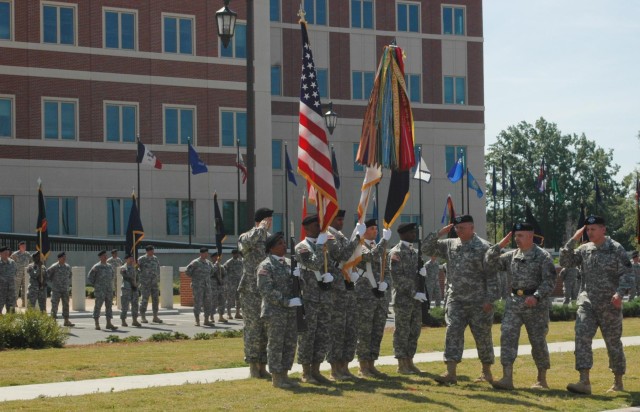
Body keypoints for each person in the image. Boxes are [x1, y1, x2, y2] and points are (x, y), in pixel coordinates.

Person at [560, 215, 634, 394]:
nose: (590, 232)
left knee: (613, 343)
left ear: (603, 230)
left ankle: (618, 381)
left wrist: (619, 293)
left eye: (593, 229)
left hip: (610, 304)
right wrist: (574, 239)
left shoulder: (615, 249)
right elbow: (565, 261)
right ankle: (584, 381)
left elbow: (627, 274)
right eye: (588, 229)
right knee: (582, 337)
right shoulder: (584, 249)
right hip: (587, 303)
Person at [423, 214, 497, 385]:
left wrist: (489, 299)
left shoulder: (484, 247)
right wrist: (439, 233)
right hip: (456, 300)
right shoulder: (450, 245)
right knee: (452, 333)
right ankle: (451, 373)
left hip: (479, 301)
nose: (458, 230)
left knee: (483, 336)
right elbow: (426, 249)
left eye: (462, 228)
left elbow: (492, 277)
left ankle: (486, 372)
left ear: (472, 228)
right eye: (457, 228)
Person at [485, 223, 557, 390]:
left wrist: (537, 297)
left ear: (531, 236)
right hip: (514, 304)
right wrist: (500, 245)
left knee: (538, 341)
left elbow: (550, 281)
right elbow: (489, 262)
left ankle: (541, 379)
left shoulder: (543, 256)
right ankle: (507, 378)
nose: (517, 239)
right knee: (507, 337)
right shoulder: (511, 256)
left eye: (520, 236)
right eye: (516, 236)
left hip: (535, 305)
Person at [257, 232, 301, 389]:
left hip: (290, 311)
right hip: (275, 311)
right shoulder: (266, 266)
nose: (284, 245)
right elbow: (265, 290)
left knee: (289, 344)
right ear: (271, 248)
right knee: (276, 344)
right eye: (280, 244)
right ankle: (276, 378)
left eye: (284, 243)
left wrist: (299, 277)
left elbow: (297, 286)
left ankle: (285, 375)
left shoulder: (290, 263)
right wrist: (286, 301)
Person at [325, 210, 365, 380]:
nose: (341, 222)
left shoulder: (340, 235)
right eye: (338, 219)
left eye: (342, 219)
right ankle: (335, 369)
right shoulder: (328, 236)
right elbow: (340, 254)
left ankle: (345, 367)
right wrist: (356, 238)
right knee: (337, 329)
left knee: (350, 328)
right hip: (336, 287)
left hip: (347, 285)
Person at [295, 214, 333, 384]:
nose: (320, 229)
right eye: (317, 226)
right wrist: (319, 245)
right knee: (308, 336)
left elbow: (327, 265)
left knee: (322, 334)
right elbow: (314, 264)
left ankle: (316, 370)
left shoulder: (322, 245)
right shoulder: (302, 247)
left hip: (324, 297)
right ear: (308, 228)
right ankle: (306, 372)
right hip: (309, 297)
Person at [238, 207, 272, 379]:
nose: (270, 223)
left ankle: (263, 365)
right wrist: (260, 229)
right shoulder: (247, 235)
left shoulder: (270, 239)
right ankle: (253, 365)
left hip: (266, 289)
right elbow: (245, 245)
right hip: (251, 290)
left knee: (265, 329)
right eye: (268, 219)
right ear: (260, 221)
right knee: (252, 329)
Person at [355, 218, 391, 377]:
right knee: (365, 331)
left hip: (380, 295)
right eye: (372, 228)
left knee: (377, 330)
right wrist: (384, 241)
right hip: (365, 294)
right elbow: (368, 257)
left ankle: (372, 363)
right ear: (364, 231)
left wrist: (387, 284)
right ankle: (363, 366)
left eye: (376, 229)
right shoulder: (359, 246)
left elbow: (388, 270)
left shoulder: (380, 247)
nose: (375, 231)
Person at [389, 222, 427, 374]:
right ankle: (401, 364)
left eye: (414, 232)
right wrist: (413, 292)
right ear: (403, 234)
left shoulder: (414, 252)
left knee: (414, 330)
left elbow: (415, 275)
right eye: (411, 232)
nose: (414, 235)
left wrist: (422, 275)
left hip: (416, 299)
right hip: (403, 298)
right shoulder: (396, 252)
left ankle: (410, 361)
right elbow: (397, 278)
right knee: (402, 331)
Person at [88, 250, 117, 331]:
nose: (106, 257)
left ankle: (109, 323)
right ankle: (97, 323)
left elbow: (112, 276)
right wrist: (97, 285)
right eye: (104, 256)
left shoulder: (109, 266)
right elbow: (90, 277)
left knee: (109, 306)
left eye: (106, 255)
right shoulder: (96, 267)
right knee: (98, 306)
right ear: (100, 257)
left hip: (108, 290)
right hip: (100, 290)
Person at [185, 247, 214, 326]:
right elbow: (187, 272)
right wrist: (195, 279)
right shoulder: (195, 262)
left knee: (208, 303)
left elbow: (212, 272)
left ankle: (206, 320)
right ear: (201, 253)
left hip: (207, 286)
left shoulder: (209, 263)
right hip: (198, 286)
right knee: (198, 302)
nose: (206, 254)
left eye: (207, 253)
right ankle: (197, 320)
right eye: (205, 253)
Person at [47, 252, 74, 327]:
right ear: (59, 258)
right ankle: (53, 320)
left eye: (65, 257)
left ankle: (66, 320)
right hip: (56, 290)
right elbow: (47, 274)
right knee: (54, 305)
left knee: (66, 305)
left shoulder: (67, 267)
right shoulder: (54, 266)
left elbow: (70, 275)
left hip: (65, 290)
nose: (64, 259)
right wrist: (53, 282)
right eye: (63, 257)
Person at [138, 245, 162, 324]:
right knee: (144, 300)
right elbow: (136, 269)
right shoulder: (142, 259)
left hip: (154, 283)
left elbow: (158, 269)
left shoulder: (155, 258)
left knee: (156, 300)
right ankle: (143, 316)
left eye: (153, 250)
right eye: (151, 250)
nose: (153, 252)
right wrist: (141, 278)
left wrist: (157, 278)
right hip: (145, 283)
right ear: (147, 251)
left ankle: (155, 316)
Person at [120, 253, 141, 327]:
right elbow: (126, 276)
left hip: (134, 289)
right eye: (130, 258)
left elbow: (139, 277)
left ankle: (134, 320)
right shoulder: (123, 267)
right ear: (126, 259)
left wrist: (137, 284)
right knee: (125, 305)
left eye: (132, 258)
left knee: (135, 305)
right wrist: (133, 282)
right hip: (127, 288)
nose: (132, 259)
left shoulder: (135, 268)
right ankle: (123, 320)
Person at [222, 249, 243, 319]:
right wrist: (226, 280)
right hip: (231, 283)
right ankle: (229, 313)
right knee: (230, 298)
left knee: (239, 298)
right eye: (235, 254)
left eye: (237, 254)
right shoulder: (229, 262)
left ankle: (237, 313)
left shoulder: (240, 262)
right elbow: (223, 270)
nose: (237, 255)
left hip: (239, 282)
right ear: (233, 254)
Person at [10, 241, 31, 308]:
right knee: (16, 289)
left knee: (25, 289)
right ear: (19, 246)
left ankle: (24, 303)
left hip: (25, 275)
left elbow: (31, 263)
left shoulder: (28, 254)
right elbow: (10, 263)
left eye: (25, 246)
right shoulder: (15, 254)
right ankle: (14, 303)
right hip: (17, 275)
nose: (24, 247)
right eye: (22, 246)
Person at [210, 252, 227, 324]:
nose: (218, 259)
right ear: (212, 258)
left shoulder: (221, 267)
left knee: (222, 301)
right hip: (213, 286)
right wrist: (217, 264)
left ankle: (221, 316)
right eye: (216, 257)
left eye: (218, 257)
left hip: (220, 286)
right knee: (213, 301)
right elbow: (211, 272)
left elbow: (225, 275)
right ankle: (211, 316)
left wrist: (223, 281)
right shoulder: (210, 265)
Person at [0, 245, 17, 314]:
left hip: (11, 289)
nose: (7, 254)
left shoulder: (12, 262)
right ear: (0, 253)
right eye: (5, 252)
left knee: (11, 308)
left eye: (8, 252)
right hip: (1, 290)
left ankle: (10, 323)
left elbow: (15, 272)